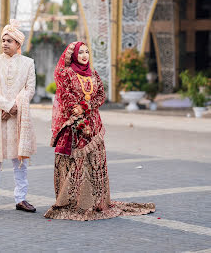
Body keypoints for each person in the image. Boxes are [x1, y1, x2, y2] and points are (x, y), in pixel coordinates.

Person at [44, 41, 155, 221]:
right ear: (73, 55)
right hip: (75, 126)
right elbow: (66, 99)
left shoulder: (93, 74)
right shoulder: (67, 74)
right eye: (81, 53)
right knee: (78, 164)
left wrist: (86, 107)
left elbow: (101, 95)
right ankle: (75, 202)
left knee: (95, 162)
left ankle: (95, 202)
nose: (84, 55)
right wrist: (79, 118)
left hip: (94, 125)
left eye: (87, 52)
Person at [0, 19, 36, 213]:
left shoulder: (28, 63)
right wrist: (6, 106)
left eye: (9, 40)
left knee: (19, 161)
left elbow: (30, 89)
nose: (5, 43)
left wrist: (16, 106)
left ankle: (21, 199)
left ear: (18, 44)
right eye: (3, 40)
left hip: (19, 117)